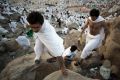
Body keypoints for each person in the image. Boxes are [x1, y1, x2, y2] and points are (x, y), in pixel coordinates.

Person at [27, 11, 67, 76]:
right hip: (39, 35)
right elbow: (32, 26)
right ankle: (37, 57)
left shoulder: (48, 35)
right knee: (37, 47)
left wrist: (62, 68)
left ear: (42, 24)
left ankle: (52, 57)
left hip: (46, 35)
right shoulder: (39, 20)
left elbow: (58, 53)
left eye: (36, 27)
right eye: (32, 27)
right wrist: (29, 26)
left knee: (53, 50)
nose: (34, 30)